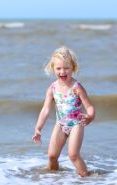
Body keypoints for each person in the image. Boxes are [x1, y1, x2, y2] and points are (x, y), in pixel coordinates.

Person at [32, 46, 95, 177]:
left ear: (73, 68)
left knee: (73, 155)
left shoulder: (77, 87)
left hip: (76, 124)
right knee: (52, 156)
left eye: (66, 68)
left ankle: (87, 178)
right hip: (60, 124)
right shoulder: (52, 88)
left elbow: (89, 107)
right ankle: (55, 178)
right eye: (58, 68)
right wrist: (38, 128)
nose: (62, 72)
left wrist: (90, 116)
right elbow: (45, 109)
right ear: (53, 68)